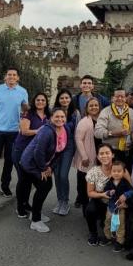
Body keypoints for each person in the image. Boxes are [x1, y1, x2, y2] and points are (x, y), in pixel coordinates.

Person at [18, 107, 67, 232]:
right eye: (57, 116)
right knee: (45, 185)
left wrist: (50, 167)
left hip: (41, 164)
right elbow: (38, 152)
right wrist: (44, 168)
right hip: (30, 163)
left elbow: (59, 153)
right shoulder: (47, 131)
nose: (60, 119)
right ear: (50, 118)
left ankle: (35, 214)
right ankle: (35, 220)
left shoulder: (64, 131)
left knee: (44, 186)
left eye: (62, 117)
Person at [0, 68, 28, 197]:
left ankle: (5, 186)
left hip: (14, 131)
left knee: (9, 160)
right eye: (9, 75)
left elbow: (25, 110)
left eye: (14, 75)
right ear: (5, 77)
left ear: (18, 78)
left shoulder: (22, 91)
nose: (11, 77)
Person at [12, 93, 49, 219]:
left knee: (29, 181)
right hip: (21, 150)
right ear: (34, 101)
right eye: (38, 100)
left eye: (43, 100)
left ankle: (26, 203)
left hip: (34, 152)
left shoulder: (48, 115)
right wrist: (38, 131)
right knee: (23, 180)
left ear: (46, 102)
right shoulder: (29, 114)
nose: (40, 102)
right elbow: (24, 131)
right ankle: (20, 207)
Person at [52, 88, 80, 216]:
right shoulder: (53, 112)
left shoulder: (75, 113)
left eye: (67, 97)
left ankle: (65, 201)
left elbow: (78, 131)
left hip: (68, 147)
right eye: (62, 98)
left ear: (70, 99)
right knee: (56, 175)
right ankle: (60, 200)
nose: (64, 100)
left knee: (63, 175)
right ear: (58, 99)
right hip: (55, 147)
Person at [73, 97, 101, 212]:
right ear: (87, 108)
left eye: (96, 105)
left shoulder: (102, 120)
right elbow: (78, 139)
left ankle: (96, 208)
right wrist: (84, 156)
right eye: (91, 106)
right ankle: (85, 208)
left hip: (99, 157)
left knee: (97, 183)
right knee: (83, 184)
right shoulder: (84, 122)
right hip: (87, 157)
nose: (94, 107)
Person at [95, 88, 133, 168]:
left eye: (122, 96)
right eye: (117, 96)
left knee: (126, 177)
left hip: (128, 152)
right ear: (112, 98)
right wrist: (113, 133)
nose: (120, 98)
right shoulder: (105, 112)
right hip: (111, 152)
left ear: (126, 98)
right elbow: (97, 132)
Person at [103, 159, 133, 251]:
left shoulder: (125, 183)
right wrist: (109, 192)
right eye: (114, 171)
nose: (116, 173)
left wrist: (126, 195)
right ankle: (107, 237)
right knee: (107, 222)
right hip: (110, 207)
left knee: (120, 225)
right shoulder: (109, 182)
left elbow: (132, 191)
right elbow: (105, 191)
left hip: (121, 208)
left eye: (119, 171)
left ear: (124, 172)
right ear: (111, 172)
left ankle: (119, 241)